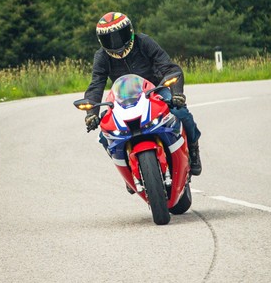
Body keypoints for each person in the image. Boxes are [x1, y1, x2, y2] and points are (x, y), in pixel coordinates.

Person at [82, 11, 203, 175]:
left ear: (130, 31)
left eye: (119, 35)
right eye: (109, 39)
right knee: (105, 135)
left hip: (155, 90)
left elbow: (169, 67)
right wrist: (91, 113)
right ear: (101, 41)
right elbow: (96, 84)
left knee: (180, 112)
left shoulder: (143, 42)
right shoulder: (101, 57)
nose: (115, 42)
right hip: (121, 98)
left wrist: (176, 94)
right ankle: (127, 170)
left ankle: (193, 149)